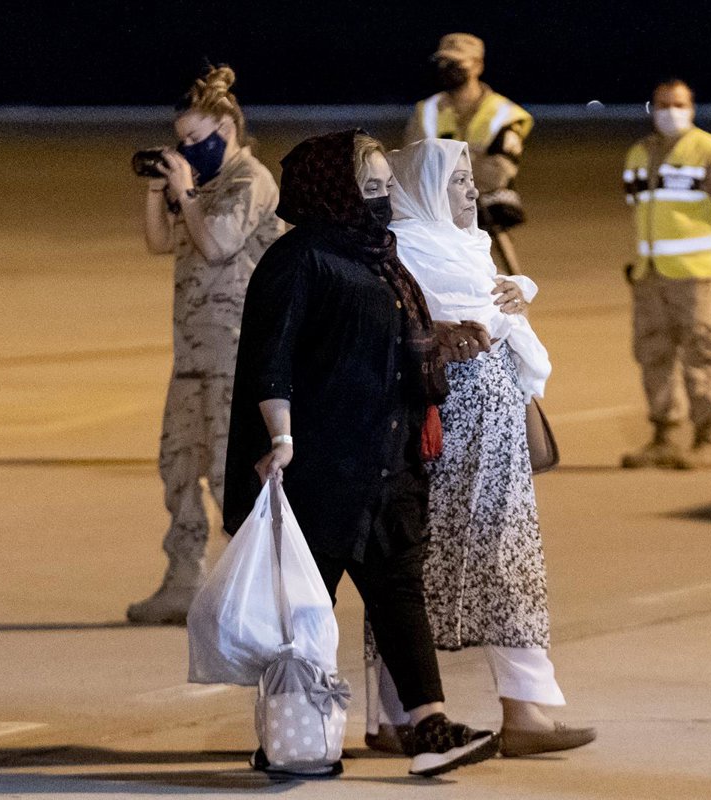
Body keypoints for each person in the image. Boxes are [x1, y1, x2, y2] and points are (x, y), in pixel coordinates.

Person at [222, 129, 501, 778]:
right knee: (307, 606)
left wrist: (437, 337)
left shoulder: (380, 253)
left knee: (398, 590)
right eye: (368, 187)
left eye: (385, 187)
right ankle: (291, 738)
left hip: (388, 460)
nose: (381, 200)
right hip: (323, 465)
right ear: (333, 190)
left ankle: (429, 728)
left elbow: (385, 333)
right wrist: (281, 438)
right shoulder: (299, 259)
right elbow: (271, 359)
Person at [363, 137, 596, 759]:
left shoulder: (469, 245)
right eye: (457, 180)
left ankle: (525, 711)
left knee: (506, 559)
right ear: (424, 188)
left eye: (470, 178)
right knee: (410, 567)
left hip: (494, 437)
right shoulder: (397, 250)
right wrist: (440, 330)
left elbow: (498, 314)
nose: (471, 190)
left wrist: (515, 297)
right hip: (432, 436)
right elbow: (389, 331)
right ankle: (395, 717)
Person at [128, 65, 283, 624]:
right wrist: (159, 190)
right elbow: (158, 242)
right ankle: (182, 580)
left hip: (237, 353)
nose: (188, 149)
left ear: (226, 127)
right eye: (181, 141)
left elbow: (218, 244)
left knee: (227, 473)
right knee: (177, 465)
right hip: (194, 353)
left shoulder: (249, 180)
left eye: (196, 138)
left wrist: (187, 193)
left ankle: (261, 590)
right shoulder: (201, 183)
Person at [621, 78, 711, 470]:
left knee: (701, 352)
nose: (670, 112)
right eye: (662, 105)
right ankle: (663, 436)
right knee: (652, 353)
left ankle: (705, 438)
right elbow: (639, 206)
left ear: (692, 108)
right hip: (649, 273)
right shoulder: (639, 153)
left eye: (678, 104)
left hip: (694, 274)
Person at [406, 32, 533, 273]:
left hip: (485, 218)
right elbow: (411, 163)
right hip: (437, 218)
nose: (446, 69)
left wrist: (442, 173)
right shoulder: (427, 110)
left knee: (501, 284)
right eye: (442, 62)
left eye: (455, 63)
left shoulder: (505, 113)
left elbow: (497, 173)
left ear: (477, 65)